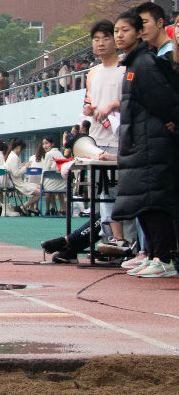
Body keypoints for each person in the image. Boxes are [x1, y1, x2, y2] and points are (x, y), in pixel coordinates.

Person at [110, 10, 179, 277]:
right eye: (117, 30)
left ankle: (163, 258)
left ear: (139, 33)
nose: (119, 35)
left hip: (152, 142)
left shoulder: (145, 65)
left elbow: (166, 102)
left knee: (153, 201)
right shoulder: (133, 64)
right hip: (141, 141)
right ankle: (152, 254)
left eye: (125, 30)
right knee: (142, 202)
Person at [79, 19, 133, 252]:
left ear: (115, 40)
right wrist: (89, 110)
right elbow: (88, 103)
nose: (100, 43)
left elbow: (133, 101)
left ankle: (130, 244)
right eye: (96, 40)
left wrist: (113, 106)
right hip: (98, 142)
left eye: (106, 38)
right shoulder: (92, 73)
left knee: (125, 195)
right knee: (103, 196)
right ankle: (111, 241)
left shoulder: (125, 68)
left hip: (122, 140)